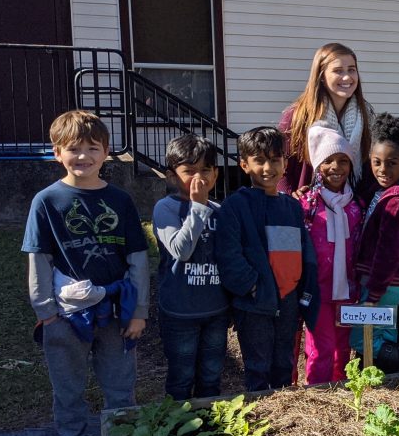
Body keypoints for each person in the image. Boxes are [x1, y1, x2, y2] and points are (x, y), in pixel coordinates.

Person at [23, 110, 149, 436]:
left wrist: (139, 311)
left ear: (107, 152)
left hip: (114, 312)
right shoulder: (47, 201)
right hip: (65, 317)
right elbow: (39, 259)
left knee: (119, 381)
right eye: (73, 149)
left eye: (92, 148)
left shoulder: (120, 200)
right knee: (68, 385)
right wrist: (46, 312)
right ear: (56, 153)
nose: (84, 157)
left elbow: (138, 257)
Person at [215, 126, 318, 391]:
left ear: (285, 162)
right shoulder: (235, 205)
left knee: (285, 365)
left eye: (274, 159)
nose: (267, 167)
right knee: (258, 368)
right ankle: (260, 425)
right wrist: (253, 287)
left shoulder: (292, 207)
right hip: (254, 305)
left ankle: (283, 425)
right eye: (259, 160)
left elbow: (303, 253)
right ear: (244, 164)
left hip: (288, 302)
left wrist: (302, 291)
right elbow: (229, 255)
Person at [153, 133, 228, 401]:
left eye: (205, 170)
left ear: (216, 174)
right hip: (180, 311)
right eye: (189, 171)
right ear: (172, 176)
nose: (199, 178)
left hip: (216, 310)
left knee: (211, 374)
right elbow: (181, 250)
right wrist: (197, 207)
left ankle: (210, 428)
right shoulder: (166, 209)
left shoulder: (220, 210)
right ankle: (181, 431)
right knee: (182, 375)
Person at [352, 113, 399, 367]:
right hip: (392, 282)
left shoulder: (397, 202)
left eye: (392, 163)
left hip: (383, 281)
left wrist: (374, 291)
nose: (383, 169)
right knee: (385, 331)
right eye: (377, 162)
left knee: (361, 338)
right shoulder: (384, 191)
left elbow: (389, 251)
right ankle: (389, 375)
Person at [300, 124, 364, 385]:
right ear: (317, 167)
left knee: (343, 347)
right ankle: (317, 393)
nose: (336, 167)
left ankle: (340, 391)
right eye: (328, 161)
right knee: (320, 347)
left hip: (347, 290)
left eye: (343, 161)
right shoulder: (307, 205)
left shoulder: (355, 206)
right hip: (318, 291)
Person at [278, 43, 375, 197]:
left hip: (351, 205)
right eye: (338, 71)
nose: (347, 77)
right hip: (310, 206)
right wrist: (289, 195)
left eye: (351, 69)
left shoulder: (365, 115)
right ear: (321, 76)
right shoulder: (297, 115)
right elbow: (280, 163)